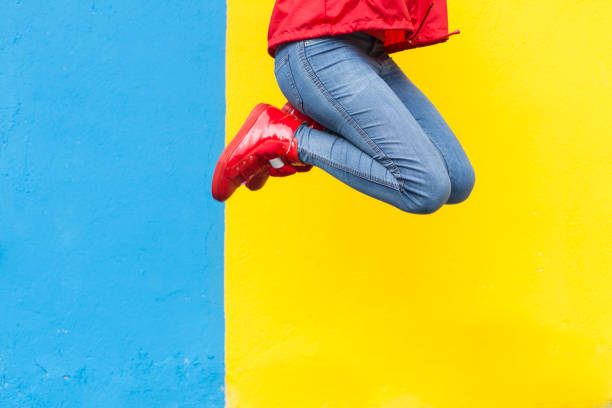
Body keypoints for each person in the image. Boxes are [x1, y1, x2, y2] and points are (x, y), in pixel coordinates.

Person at [212, 0, 475, 214]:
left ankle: (304, 120)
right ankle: (287, 138)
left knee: (458, 179)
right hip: (319, 45)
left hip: (367, 49)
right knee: (426, 188)